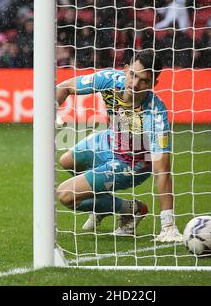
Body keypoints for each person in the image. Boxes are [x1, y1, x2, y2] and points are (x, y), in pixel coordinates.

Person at [56, 50, 183, 242]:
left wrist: (168, 224)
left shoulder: (155, 113)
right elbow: (64, 87)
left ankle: (133, 210)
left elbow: (162, 169)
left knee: (65, 195)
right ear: (125, 70)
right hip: (109, 141)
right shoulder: (108, 80)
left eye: (144, 81)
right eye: (133, 75)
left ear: (153, 84)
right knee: (66, 161)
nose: (134, 84)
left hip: (133, 164)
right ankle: (103, 206)